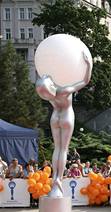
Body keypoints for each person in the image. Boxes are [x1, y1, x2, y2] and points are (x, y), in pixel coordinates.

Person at [35, 52, 91, 197]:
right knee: (63, 150)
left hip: (55, 117)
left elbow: (42, 77)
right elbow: (85, 81)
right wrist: (88, 64)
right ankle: (59, 178)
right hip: (66, 116)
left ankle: (55, 179)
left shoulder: (50, 96)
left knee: (57, 149)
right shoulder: (64, 91)